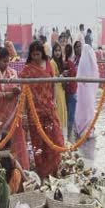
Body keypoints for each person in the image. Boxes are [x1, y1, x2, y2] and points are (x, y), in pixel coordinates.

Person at [19, 41, 64, 179]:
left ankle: (54, 171)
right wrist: (25, 113)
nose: (36, 58)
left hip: (49, 109)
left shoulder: (49, 64)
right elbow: (24, 92)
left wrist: (54, 102)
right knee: (38, 143)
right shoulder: (28, 70)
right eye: (33, 55)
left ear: (42, 54)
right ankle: (42, 173)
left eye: (38, 54)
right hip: (35, 112)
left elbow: (53, 84)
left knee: (54, 139)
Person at [0, 47, 30, 170]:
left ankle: (19, 168)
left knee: (16, 140)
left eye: (7, 61)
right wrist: (6, 95)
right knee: (1, 141)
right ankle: (1, 167)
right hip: (0, 114)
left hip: (13, 113)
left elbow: (18, 88)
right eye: (3, 61)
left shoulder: (13, 73)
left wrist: (16, 91)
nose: (6, 64)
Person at [49, 43, 68, 141]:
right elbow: (52, 79)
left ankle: (62, 137)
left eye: (59, 51)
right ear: (53, 52)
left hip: (61, 89)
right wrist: (61, 75)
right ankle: (58, 137)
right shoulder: (52, 62)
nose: (58, 53)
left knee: (62, 111)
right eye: (56, 51)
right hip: (56, 89)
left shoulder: (60, 62)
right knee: (58, 112)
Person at [63, 44, 78, 140]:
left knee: (68, 113)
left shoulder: (64, 62)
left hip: (67, 92)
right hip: (72, 92)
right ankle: (69, 136)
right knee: (71, 115)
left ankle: (68, 136)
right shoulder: (70, 63)